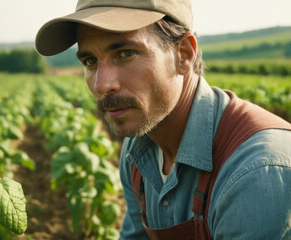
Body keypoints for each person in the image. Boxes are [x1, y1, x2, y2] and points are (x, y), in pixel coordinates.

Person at [35, 0, 291, 239]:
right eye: (90, 61)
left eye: (125, 53)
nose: (103, 85)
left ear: (184, 55)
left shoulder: (258, 172)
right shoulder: (137, 151)